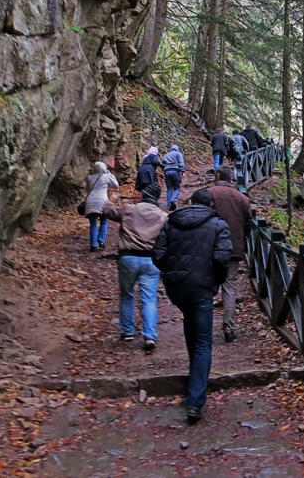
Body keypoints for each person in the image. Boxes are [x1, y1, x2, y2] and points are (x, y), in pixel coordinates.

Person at [153, 189, 231, 424]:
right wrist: (216, 279)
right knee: (203, 342)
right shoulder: (219, 224)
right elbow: (222, 258)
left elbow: (158, 253)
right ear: (211, 205)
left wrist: (170, 273)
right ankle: (195, 401)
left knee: (191, 325)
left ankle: (194, 375)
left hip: (177, 287)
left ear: (190, 202)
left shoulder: (172, 222)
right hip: (202, 287)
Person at [104, 183, 169, 349]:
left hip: (128, 258)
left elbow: (108, 211)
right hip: (151, 260)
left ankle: (127, 331)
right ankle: (150, 335)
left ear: (141, 196)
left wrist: (110, 200)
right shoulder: (162, 216)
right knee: (149, 298)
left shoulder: (129, 209)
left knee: (127, 295)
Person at [208, 166, 252, 343]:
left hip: (210, 248)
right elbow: (248, 224)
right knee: (229, 288)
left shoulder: (209, 194)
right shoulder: (242, 198)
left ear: (218, 176)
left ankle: (204, 327)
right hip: (233, 249)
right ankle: (229, 328)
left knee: (207, 287)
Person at [85, 161, 119, 252]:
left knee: (93, 224)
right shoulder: (106, 177)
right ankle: (101, 240)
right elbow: (116, 185)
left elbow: (87, 190)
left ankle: (93, 245)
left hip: (90, 202)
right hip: (102, 201)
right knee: (104, 221)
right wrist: (110, 174)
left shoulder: (90, 178)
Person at [162, 144, 185, 210]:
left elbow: (162, 163)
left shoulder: (166, 155)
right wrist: (183, 171)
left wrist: (164, 169)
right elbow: (181, 163)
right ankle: (173, 199)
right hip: (175, 171)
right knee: (177, 188)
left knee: (169, 189)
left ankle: (169, 206)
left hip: (167, 171)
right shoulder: (178, 154)